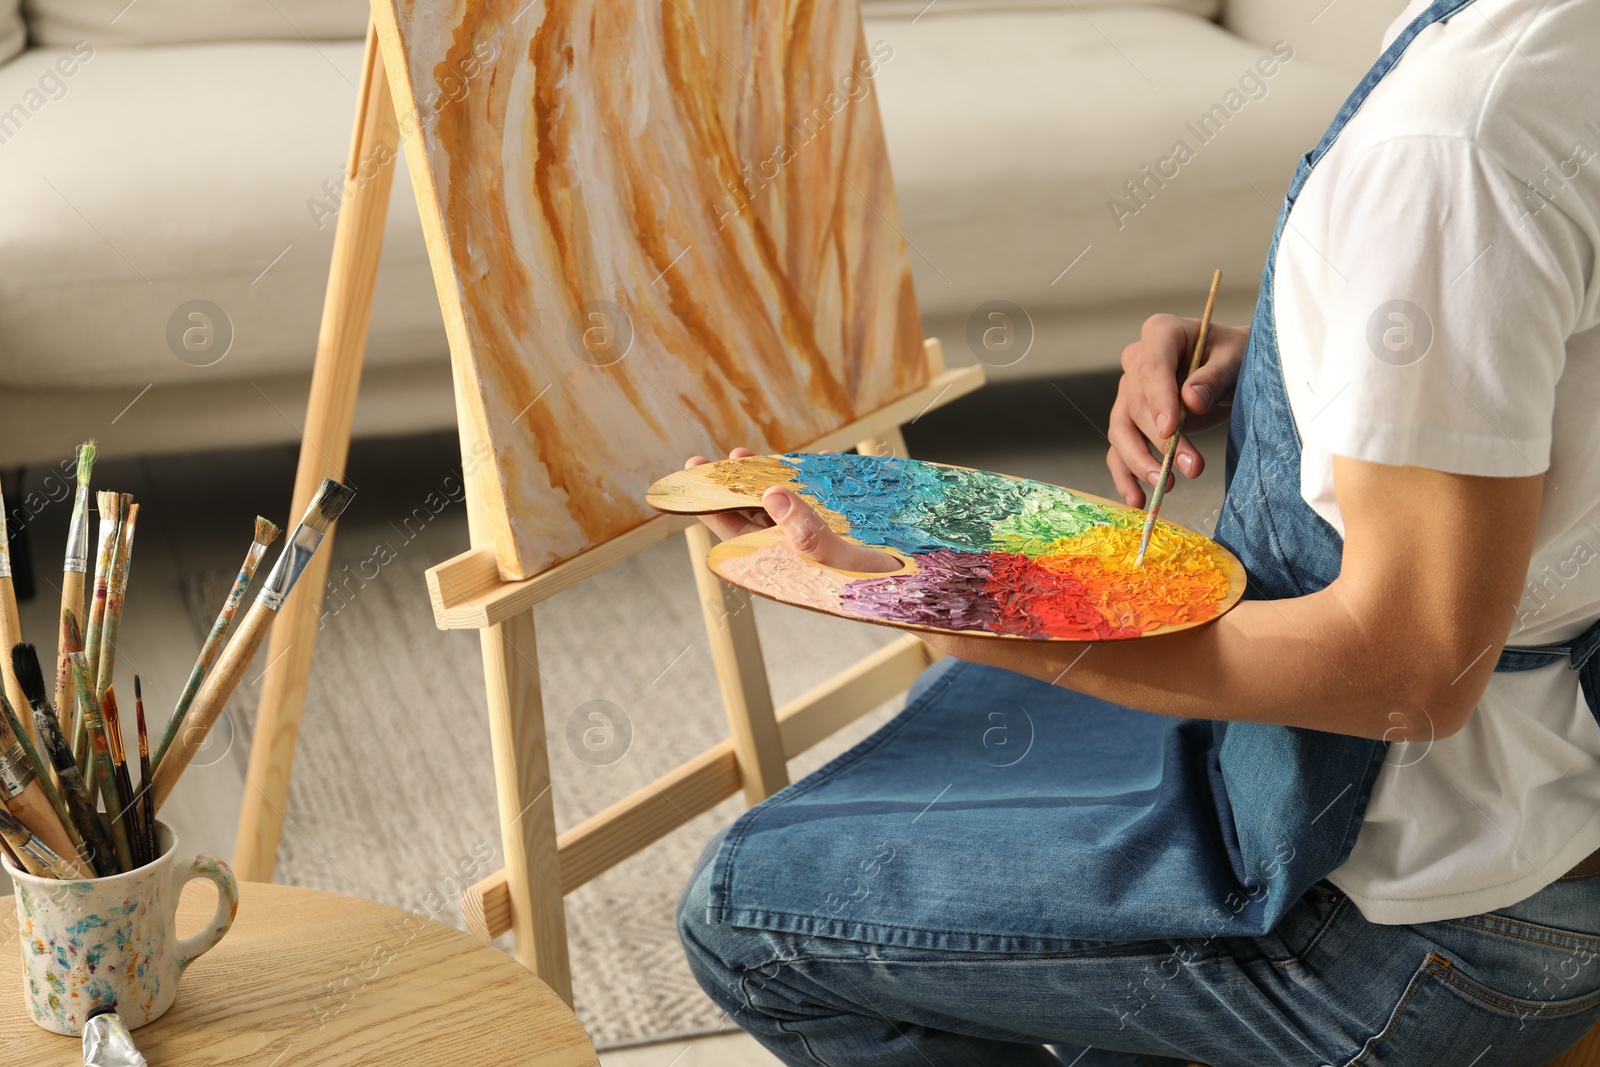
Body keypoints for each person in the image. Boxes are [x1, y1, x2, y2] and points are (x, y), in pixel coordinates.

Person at [676, 0, 1600, 1063]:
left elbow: (1409, 673)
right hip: (1544, 802)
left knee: (746, 913)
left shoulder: (1453, 143)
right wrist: (1316, 357)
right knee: (970, 729)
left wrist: (943, 592)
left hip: (1415, 923)